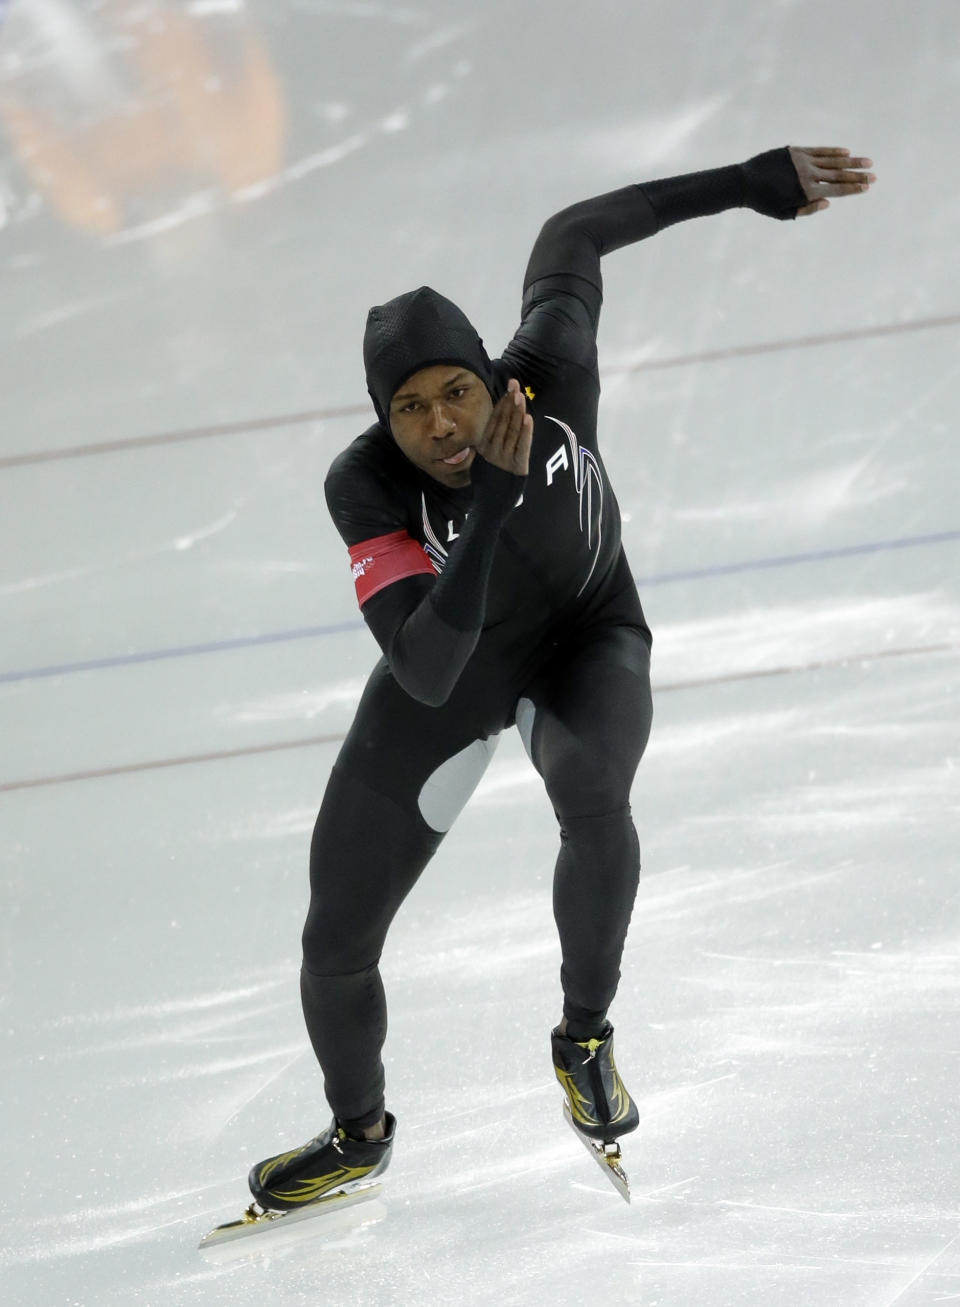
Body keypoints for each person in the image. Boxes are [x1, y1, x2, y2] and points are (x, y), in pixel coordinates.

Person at [248, 145, 876, 1210]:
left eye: (458, 390)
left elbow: (580, 228)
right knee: (336, 933)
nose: (444, 423)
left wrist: (756, 180)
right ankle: (359, 1132)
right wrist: (488, 501)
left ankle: (584, 1035)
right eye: (412, 409)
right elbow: (431, 668)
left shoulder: (554, 365)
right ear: (382, 422)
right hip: (454, 662)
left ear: (495, 372)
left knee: (592, 783)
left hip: (590, 631)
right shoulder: (365, 485)